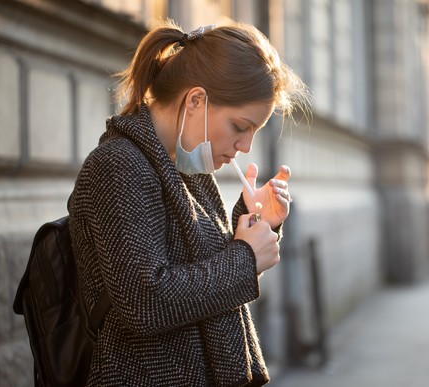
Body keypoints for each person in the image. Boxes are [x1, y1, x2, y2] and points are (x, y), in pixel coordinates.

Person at [69, 20, 309, 386]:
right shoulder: (119, 165)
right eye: (240, 126)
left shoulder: (185, 168)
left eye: (253, 133)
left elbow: (201, 275)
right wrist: (245, 258)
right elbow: (146, 302)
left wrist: (256, 222)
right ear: (196, 100)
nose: (245, 147)